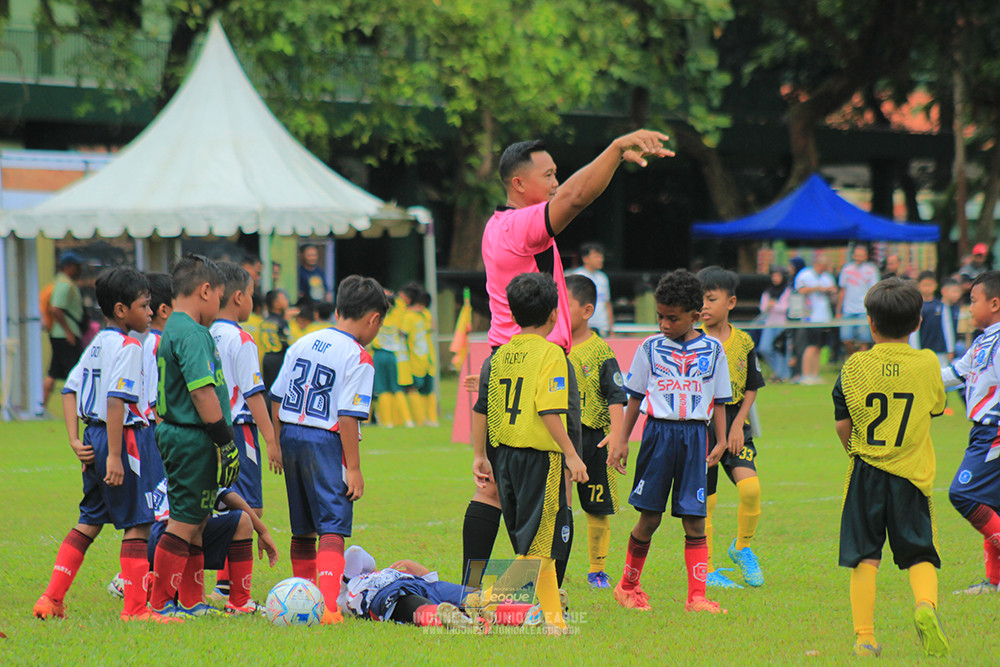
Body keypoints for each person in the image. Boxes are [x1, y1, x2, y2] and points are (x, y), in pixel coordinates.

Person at [464, 129, 672, 585]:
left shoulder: (496, 225)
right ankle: (541, 597)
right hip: (538, 363)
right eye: (550, 174)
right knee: (555, 481)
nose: (558, 182)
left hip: (503, 363)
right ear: (520, 184)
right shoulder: (521, 224)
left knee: (495, 486)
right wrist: (616, 149)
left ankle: (471, 589)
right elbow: (577, 198)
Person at [33, 266, 158, 622]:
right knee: (139, 522)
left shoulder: (99, 342)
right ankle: (135, 609)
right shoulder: (131, 345)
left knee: (89, 521)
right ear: (121, 310)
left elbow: (70, 390)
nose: (150, 312)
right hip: (124, 438)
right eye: (144, 305)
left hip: (93, 436)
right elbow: (117, 401)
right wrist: (117, 455)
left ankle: (51, 598)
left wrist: (75, 439)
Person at [832, 277, 948, 657]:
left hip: (866, 472)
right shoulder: (928, 362)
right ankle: (924, 606)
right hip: (911, 475)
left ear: (870, 322)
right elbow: (934, 407)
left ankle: (865, 638)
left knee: (865, 557)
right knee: (919, 553)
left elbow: (842, 422)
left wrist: (854, 450)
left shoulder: (855, 365)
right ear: (918, 323)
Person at [608, 269, 731, 614]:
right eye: (660, 316)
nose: (663, 323)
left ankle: (697, 597)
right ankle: (627, 585)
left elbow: (720, 400)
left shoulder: (713, 349)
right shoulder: (649, 347)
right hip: (658, 435)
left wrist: (720, 441)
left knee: (694, 518)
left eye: (671, 318)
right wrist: (621, 441)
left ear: (694, 317)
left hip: (695, 438)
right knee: (649, 517)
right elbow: (633, 397)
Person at [470, 272, 588, 632]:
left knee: (540, 544)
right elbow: (549, 410)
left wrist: (480, 455)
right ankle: (484, 598)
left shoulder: (500, 355)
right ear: (555, 314)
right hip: (540, 458)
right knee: (538, 548)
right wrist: (570, 454)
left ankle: (554, 622)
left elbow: (480, 408)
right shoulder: (552, 354)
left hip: (505, 458)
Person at [270, 274, 389, 625]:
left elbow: (276, 397)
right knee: (333, 525)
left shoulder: (301, 343)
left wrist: (276, 442)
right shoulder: (359, 357)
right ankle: (329, 608)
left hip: (291, 434)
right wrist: (353, 467)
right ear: (374, 320)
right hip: (325, 441)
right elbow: (349, 416)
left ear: (337, 309)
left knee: (303, 525)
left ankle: (302, 598)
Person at [148, 254, 240, 619]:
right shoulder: (192, 332)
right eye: (218, 296)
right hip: (191, 436)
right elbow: (202, 392)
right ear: (205, 291)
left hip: (182, 433)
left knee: (198, 519)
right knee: (185, 520)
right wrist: (225, 440)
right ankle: (158, 603)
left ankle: (191, 599)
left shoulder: (173, 326)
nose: (218, 305)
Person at [209, 262, 282, 602]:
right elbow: (253, 393)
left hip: (211, 429)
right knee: (250, 506)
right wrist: (271, 440)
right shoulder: (242, 338)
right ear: (238, 297)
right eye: (252, 295)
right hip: (240, 429)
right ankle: (228, 586)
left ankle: (221, 583)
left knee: (221, 498)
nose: (253, 301)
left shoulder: (204, 333)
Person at [698, 267, 766, 590]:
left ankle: (741, 547)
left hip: (737, 425)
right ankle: (707, 569)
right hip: (702, 428)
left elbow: (752, 384)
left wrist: (738, 424)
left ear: (731, 302)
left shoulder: (744, 341)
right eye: (700, 300)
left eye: (711, 299)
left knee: (751, 490)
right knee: (706, 501)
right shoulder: (692, 340)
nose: (704, 306)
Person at [565, 274, 626, 589]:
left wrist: (616, 436)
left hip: (594, 439)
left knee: (596, 506)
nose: (558, 310)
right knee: (556, 505)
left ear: (587, 310)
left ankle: (597, 569)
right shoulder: (550, 347)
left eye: (566, 304)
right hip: (559, 440)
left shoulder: (600, 351)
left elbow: (616, 395)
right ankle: (550, 566)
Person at [942, 270, 1000, 595]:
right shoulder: (982, 341)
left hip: (995, 431)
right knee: (994, 503)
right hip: (982, 431)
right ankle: (994, 583)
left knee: (963, 494)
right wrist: (911, 379)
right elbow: (954, 373)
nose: (968, 308)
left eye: (973, 301)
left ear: (994, 303)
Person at [146, 477, 278, 614]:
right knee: (235, 521)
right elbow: (226, 498)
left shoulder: (188, 465)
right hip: (168, 540)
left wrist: (263, 531)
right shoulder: (197, 465)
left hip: (158, 539)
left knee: (233, 520)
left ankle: (153, 583)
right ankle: (237, 602)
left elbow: (225, 496)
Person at [42, 252, 86, 413]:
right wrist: (68, 332)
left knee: (53, 371)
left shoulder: (59, 282)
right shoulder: (65, 284)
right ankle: (75, 408)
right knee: (74, 373)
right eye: (76, 266)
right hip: (64, 335)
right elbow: (56, 308)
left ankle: (42, 408)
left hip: (59, 334)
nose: (79, 269)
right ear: (68, 267)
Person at [371, 291, 414, 428]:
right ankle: (408, 420)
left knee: (382, 389)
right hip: (392, 355)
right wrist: (392, 296)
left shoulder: (377, 317)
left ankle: (387, 422)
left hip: (378, 354)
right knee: (396, 388)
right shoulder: (397, 316)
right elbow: (401, 305)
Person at [794, 251, 837, 384]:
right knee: (811, 345)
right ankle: (806, 374)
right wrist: (817, 288)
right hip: (810, 316)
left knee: (819, 346)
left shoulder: (827, 277)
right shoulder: (805, 274)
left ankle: (815, 374)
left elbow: (834, 293)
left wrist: (832, 291)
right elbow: (799, 290)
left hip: (825, 316)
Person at [399, 283, 438, 427]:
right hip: (428, 358)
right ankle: (432, 420)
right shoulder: (426, 314)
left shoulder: (408, 317)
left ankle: (420, 420)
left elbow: (401, 333)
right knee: (428, 391)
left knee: (413, 389)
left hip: (415, 359)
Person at [837, 245, 880, 356]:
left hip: (864, 310)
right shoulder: (846, 269)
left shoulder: (871, 270)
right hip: (848, 310)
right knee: (846, 338)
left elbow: (874, 290)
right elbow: (842, 290)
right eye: (857, 255)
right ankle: (852, 359)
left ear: (866, 256)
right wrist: (838, 309)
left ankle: (862, 364)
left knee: (864, 340)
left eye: (861, 255)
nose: (859, 257)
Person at [568, 243, 614, 337]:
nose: (600, 259)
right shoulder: (577, 276)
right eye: (597, 256)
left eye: (601, 256)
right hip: (585, 328)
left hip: (603, 329)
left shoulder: (603, 278)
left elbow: (607, 303)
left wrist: (611, 328)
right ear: (585, 258)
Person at [758, 267, 791, 382]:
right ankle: (778, 372)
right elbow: (763, 308)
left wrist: (774, 305)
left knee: (781, 349)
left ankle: (783, 374)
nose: (775, 278)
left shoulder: (787, 291)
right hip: (769, 324)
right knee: (764, 348)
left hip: (782, 325)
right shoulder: (768, 291)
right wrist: (771, 306)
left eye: (778, 276)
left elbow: (786, 308)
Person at [258, 289, 290, 391]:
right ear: (276, 304)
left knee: (268, 390)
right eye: (284, 298)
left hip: (266, 358)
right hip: (278, 358)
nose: (287, 301)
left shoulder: (265, 322)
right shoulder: (282, 322)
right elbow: (285, 342)